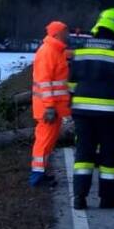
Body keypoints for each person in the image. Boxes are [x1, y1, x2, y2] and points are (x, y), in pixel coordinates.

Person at [68, 7, 114, 209]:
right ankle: (108, 198)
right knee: (109, 156)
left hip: (82, 110)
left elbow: (72, 77)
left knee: (83, 154)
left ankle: (79, 198)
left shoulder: (82, 44)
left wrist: (72, 98)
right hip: (110, 113)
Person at [28, 20, 71, 187]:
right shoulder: (48, 52)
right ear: (56, 34)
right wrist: (50, 107)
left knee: (48, 142)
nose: (68, 35)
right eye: (65, 32)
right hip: (49, 109)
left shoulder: (56, 50)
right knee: (43, 142)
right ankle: (37, 177)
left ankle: (40, 173)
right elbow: (44, 82)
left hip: (54, 108)